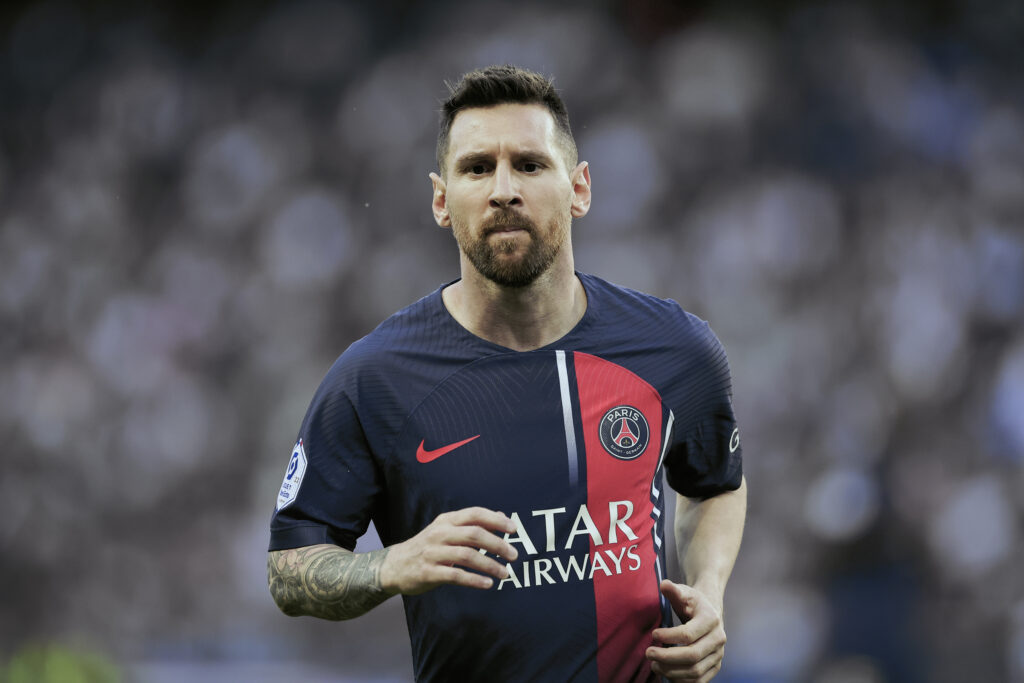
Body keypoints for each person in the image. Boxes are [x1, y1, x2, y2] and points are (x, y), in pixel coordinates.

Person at [267, 64, 747, 683]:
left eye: (529, 164)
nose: (502, 190)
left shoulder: (674, 348)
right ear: (442, 200)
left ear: (579, 189)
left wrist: (708, 590)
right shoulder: (374, 379)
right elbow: (289, 569)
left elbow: (714, 484)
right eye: (476, 168)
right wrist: (389, 566)